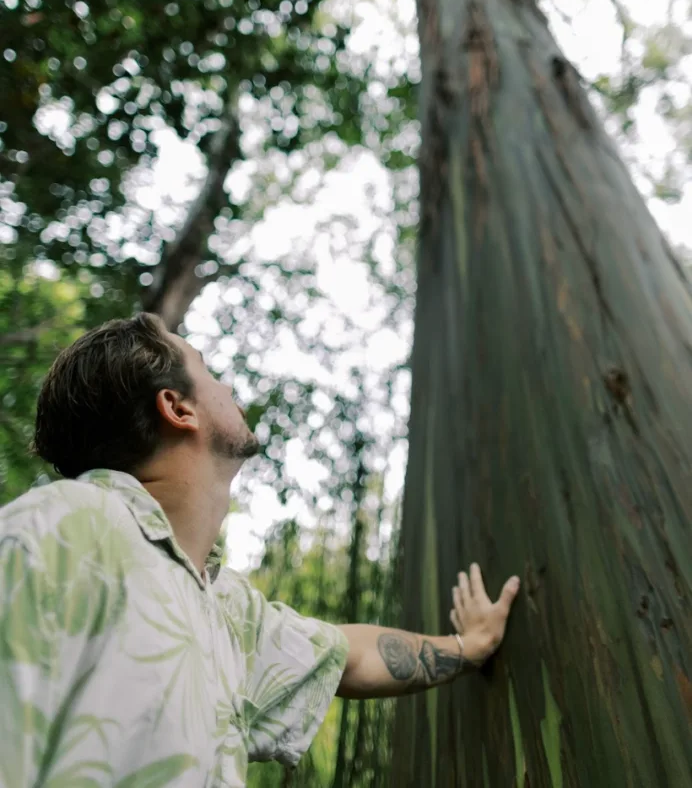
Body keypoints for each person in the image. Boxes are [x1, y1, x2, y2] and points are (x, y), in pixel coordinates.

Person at [0, 312, 520, 787]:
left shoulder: (226, 611)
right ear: (178, 408)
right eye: (206, 368)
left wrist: (468, 646)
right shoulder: (66, 524)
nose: (226, 384)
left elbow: (349, 657)